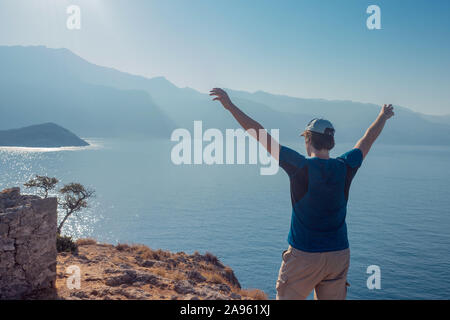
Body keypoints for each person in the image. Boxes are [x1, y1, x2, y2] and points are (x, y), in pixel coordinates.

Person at [210, 88, 394, 300]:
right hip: (338, 254)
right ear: (331, 142)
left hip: (304, 255)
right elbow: (367, 139)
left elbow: (259, 133)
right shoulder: (345, 166)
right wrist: (383, 116)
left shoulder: (299, 166)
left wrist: (230, 106)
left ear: (308, 140)